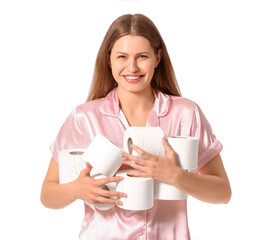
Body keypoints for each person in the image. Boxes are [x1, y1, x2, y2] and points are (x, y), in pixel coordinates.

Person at [40, 13, 231, 240]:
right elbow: (47, 194)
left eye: (142, 56)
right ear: (109, 59)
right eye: (122, 56)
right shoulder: (84, 117)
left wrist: (175, 176)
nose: (132, 67)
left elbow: (223, 193)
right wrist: (76, 190)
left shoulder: (186, 113)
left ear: (157, 58)